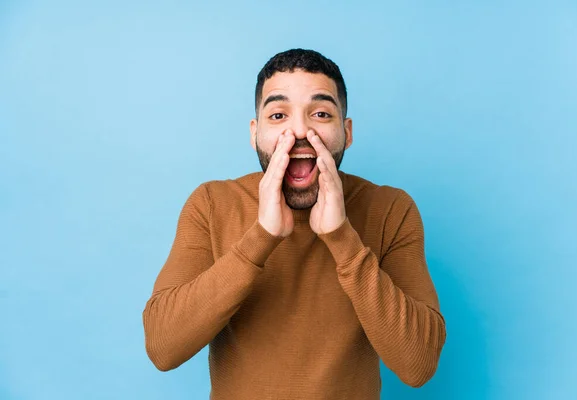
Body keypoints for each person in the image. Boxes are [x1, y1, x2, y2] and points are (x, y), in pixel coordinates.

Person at [142, 48, 446, 399]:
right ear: (254, 132)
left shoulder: (391, 210)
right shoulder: (211, 204)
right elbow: (163, 348)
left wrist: (342, 238)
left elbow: (419, 364)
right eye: (278, 115)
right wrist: (260, 238)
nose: (300, 130)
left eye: (320, 113)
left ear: (346, 132)